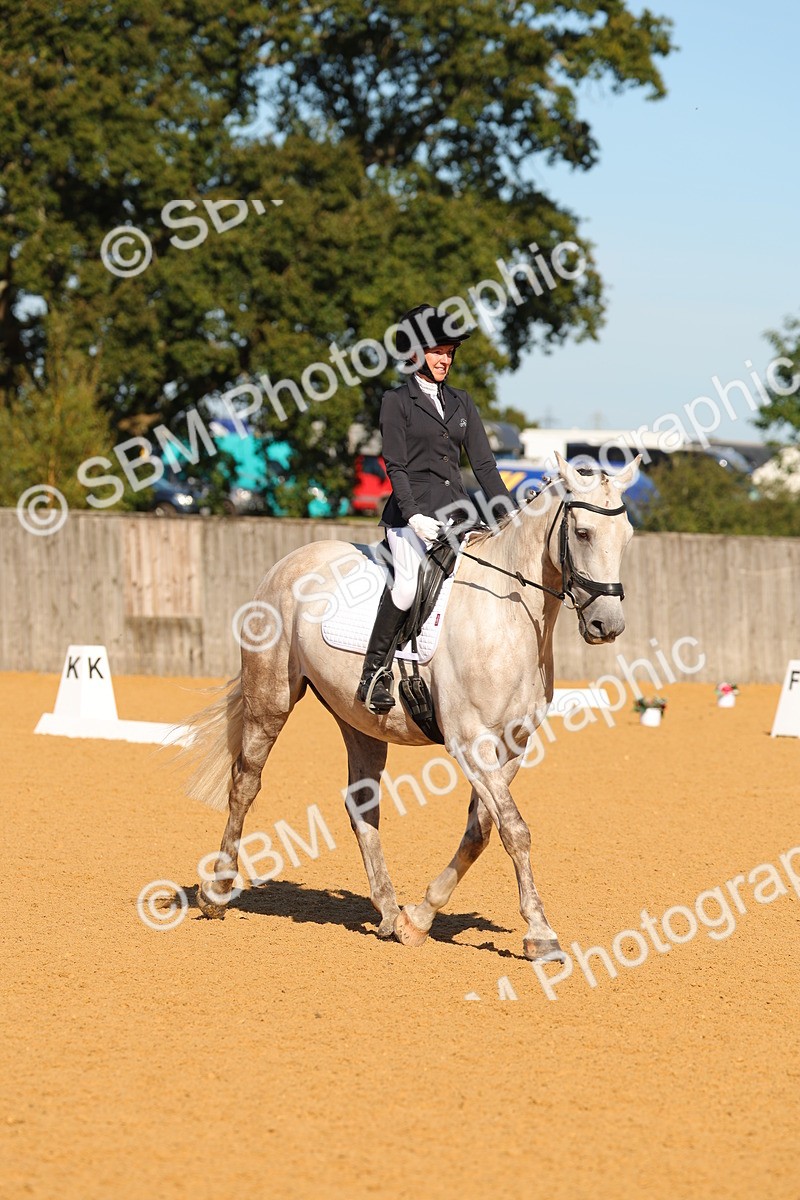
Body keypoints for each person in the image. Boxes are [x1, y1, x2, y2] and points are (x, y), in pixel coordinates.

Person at [356, 302, 514, 713]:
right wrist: (411, 514)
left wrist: (508, 515)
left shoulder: (462, 401)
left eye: (449, 352)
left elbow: (483, 465)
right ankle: (375, 672)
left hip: (458, 515)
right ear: (415, 352)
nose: (445, 359)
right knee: (408, 586)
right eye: (437, 351)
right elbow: (396, 464)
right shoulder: (397, 401)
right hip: (412, 516)